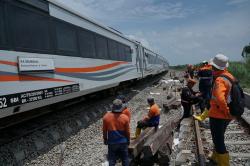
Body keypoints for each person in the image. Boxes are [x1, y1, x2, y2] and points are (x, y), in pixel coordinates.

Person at [207, 54, 234, 166]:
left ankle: (223, 163)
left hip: (218, 116)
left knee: (219, 141)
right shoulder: (229, 76)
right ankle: (215, 157)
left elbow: (220, 98)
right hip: (226, 116)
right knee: (218, 137)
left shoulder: (219, 80)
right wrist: (228, 112)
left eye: (212, 67)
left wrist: (225, 111)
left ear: (214, 67)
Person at [103, 99, 130, 166]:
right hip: (123, 142)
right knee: (125, 159)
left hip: (112, 143)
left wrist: (105, 139)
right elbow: (128, 131)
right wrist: (128, 140)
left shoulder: (106, 117)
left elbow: (104, 130)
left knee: (111, 159)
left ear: (113, 107)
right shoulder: (125, 118)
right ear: (121, 108)